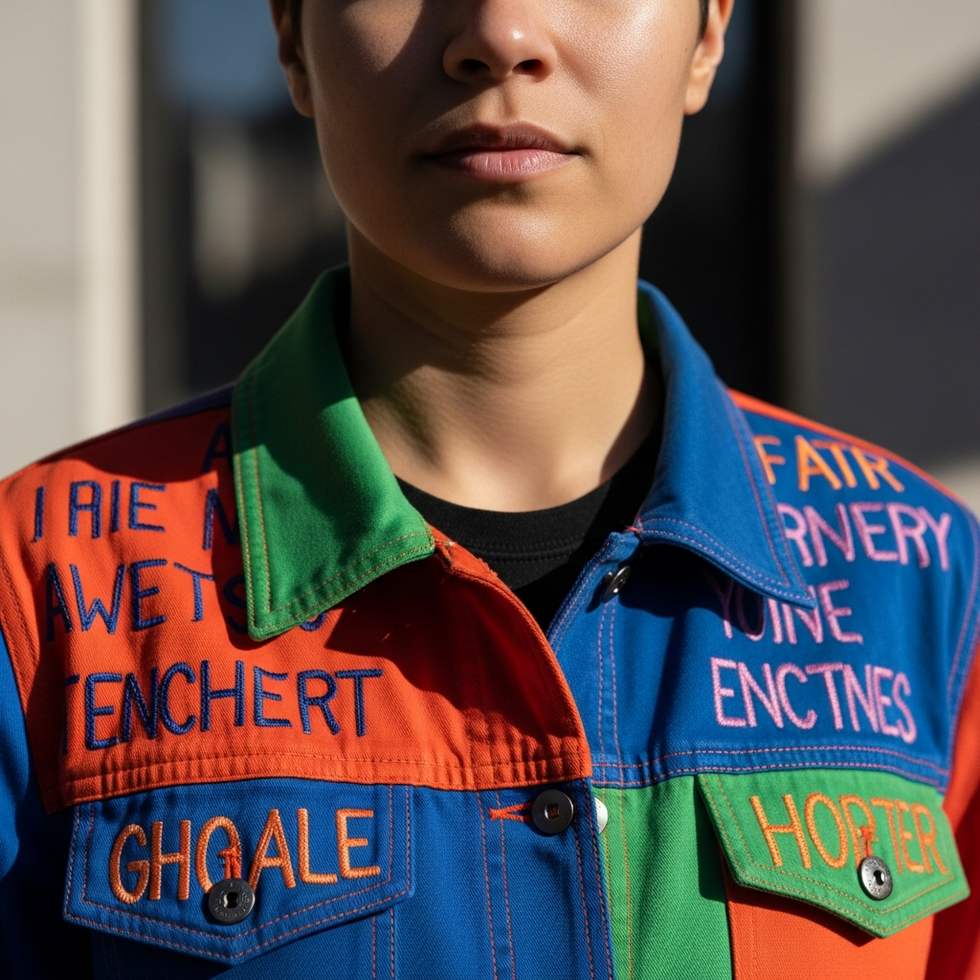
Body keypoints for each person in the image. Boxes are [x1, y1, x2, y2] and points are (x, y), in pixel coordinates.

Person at [0, 0, 978, 976]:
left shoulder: (926, 580)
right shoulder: (38, 587)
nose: (500, 34)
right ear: (293, 34)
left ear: (709, 31)